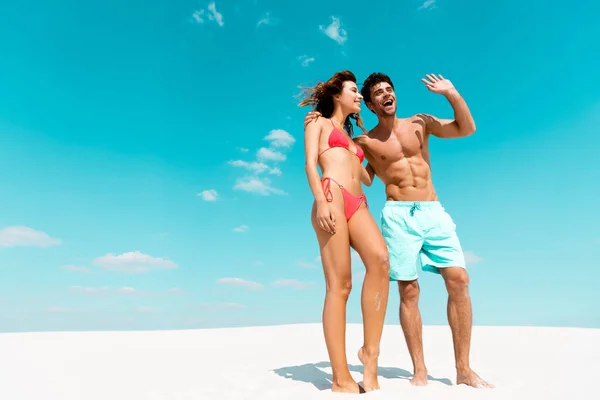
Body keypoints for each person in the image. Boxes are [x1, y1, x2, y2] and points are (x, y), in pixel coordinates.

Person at [304, 73, 494, 389]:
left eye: (389, 89)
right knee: (408, 290)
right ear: (369, 102)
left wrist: (452, 93)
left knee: (459, 279)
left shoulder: (420, 122)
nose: (386, 94)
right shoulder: (363, 141)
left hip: (432, 209)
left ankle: (463, 368)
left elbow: (466, 128)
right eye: (377, 92)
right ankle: (418, 370)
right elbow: (355, 172)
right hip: (395, 212)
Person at [300, 70, 390, 393]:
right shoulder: (317, 122)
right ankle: (340, 377)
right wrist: (320, 202)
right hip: (331, 193)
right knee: (340, 286)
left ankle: (369, 352)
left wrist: (375, 150)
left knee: (380, 260)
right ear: (337, 94)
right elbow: (311, 163)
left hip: (358, 200)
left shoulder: (352, 139)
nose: (358, 96)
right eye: (354, 90)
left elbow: (366, 178)